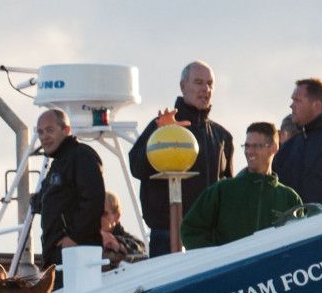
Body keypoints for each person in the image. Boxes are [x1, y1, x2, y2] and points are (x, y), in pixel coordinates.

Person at [129, 61, 235, 255]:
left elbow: (228, 189)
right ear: (183, 86)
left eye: (210, 83)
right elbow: (136, 167)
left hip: (209, 236)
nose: (205, 89)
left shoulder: (222, 137)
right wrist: (161, 132)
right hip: (166, 234)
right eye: (198, 82)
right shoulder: (162, 127)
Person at [180, 122, 305, 248]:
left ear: (274, 148)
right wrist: (217, 256)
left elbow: (300, 242)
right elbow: (190, 229)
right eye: (246, 146)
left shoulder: (290, 198)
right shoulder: (222, 190)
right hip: (231, 267)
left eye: (256, 146)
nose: (249, 151)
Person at [31, 108, 106, 279]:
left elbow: (93, 200)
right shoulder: (58, 164)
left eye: (50, 130)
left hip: (76, 253)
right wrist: (36, 201)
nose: (44, 137)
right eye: (40, 132)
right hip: (57, 254)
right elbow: (46, 199)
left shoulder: (81, 156)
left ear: (66, 130)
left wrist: (74, 237)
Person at [100, 192, 147, 269]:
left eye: (103, 214)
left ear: (117, 216)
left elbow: (142, 253)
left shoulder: (131, 242)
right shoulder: (84, 242)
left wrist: (117, 244)